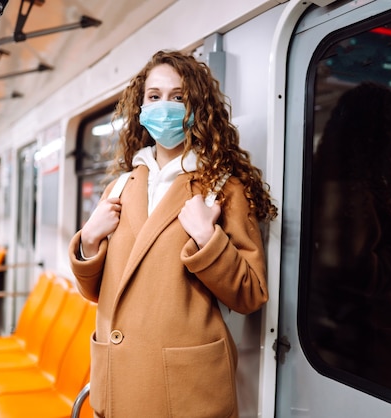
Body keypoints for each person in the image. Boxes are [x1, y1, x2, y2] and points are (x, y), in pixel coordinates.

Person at [69, 50, 277, 417]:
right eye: (155, 96)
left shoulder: (223, 189)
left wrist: (208, 243)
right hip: (117, 377)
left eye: (179, 97)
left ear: (197, 108)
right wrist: (87, 242)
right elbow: (97, 293)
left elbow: (251, 294)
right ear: (141, 108)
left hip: (183, 388)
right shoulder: (118, 188)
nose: (165, 106)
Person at [307, 82, 391, 393]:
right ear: (378, 135)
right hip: (368, 355)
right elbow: (359, 275)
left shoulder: (362, 188)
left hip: (369, 350)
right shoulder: (349, 194)